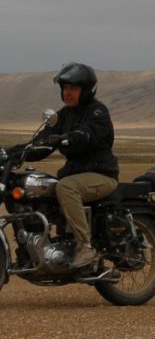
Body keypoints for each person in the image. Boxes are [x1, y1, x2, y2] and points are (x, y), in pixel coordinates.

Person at [14, 62, 119, 268]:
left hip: (101, 175)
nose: (68, 92)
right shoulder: (63, 115)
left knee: (66, 187)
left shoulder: (97, 112)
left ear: (87, 90)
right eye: (65, 88)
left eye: (73, 88)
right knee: (40, 187)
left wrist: (68, 137)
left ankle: (85, 246)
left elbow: (89, 133)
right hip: (75, 174)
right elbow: (40, 143)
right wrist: (13, 151)